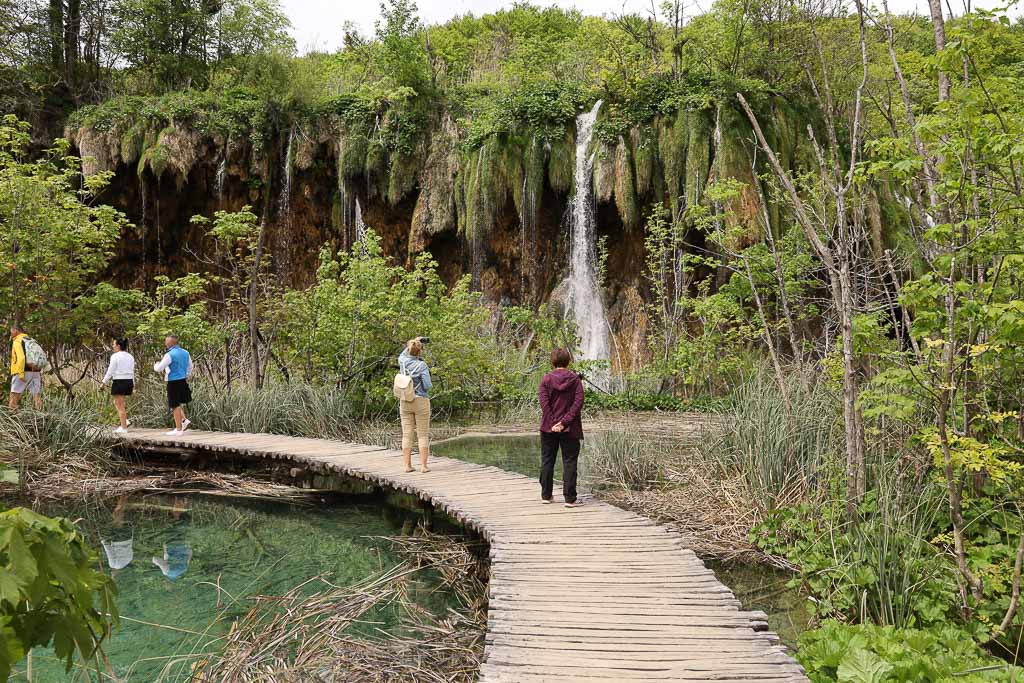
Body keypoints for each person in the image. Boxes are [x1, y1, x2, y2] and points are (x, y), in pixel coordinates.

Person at [538, 348, 584, 507]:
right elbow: (578, 404)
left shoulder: (545, 379)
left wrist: (554, 423)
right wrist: (564, 423)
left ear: (552, 362)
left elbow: (545, 405)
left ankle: (546, 495)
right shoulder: (575, 380)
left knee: (547, 460)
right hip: (570, 428)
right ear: (568, 361)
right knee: (569, 462)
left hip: (548, 428)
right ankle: (570, 499)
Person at [398, 337, 432, 473]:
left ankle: (407, 466)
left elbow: (402, 354)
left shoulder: (403, 362)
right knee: (422, 435)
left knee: (407, 435)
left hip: (405, 400)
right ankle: (423, 466)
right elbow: (427, 385)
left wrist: (415, 341)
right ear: (420, 352)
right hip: (420, 401)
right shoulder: (422, 365)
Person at [153, 335, 193, 436]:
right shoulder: (186, 352)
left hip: (173, 381)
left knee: (174, 404)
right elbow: (190, 366)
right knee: (178, 403)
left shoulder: (169, 354)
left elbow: (159, 368)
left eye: (166, 341)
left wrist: (155, 365)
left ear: (171, 343)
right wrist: (187, 374)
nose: (165, 343)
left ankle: (179, 429)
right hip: (182, 380)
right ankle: (183, 421)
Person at [101, 338, 135, 434]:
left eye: (114, 344)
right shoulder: (130, 356)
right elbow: (132, 371)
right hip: (129, 381)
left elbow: (110, 371)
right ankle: (125, 421)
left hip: (119, 381)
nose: (113, 346)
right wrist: (134, 384)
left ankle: (124, 428)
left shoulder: (115, 356)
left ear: (118, 346)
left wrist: (103, 382)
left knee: (120, 405)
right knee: (118, 403)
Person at [8, 324, 43, 411]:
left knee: (14, 396)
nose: (10, 334)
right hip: (35, 371)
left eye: (11, 331)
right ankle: (42, 418)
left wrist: (21, 374)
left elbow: (21, 358)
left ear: (16, 330)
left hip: (23, 371)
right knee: (36, 395)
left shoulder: (17, 341)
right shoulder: (31, 340)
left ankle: (11, 418)